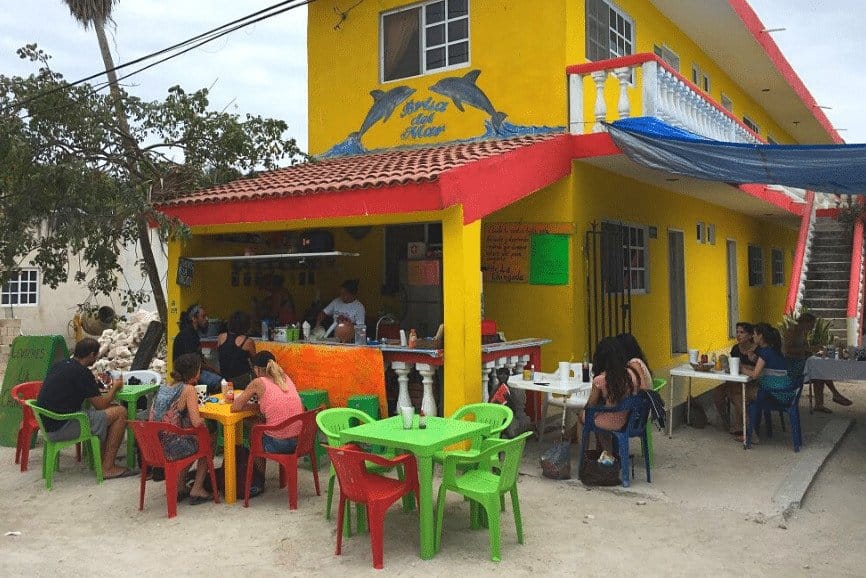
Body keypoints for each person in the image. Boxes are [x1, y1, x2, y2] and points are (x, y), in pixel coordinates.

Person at [35, 337, 131, 479]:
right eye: (96, 355)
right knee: (120, 412)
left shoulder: (60, 364)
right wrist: (115, 387)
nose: (97, 358)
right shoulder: (81, 372)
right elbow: (101, 405)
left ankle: (103, 458)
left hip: (47, 424)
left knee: (108, 412)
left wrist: (94, 383)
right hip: (62, 427)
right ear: (92, 355)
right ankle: (108, 467)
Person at [232, 351, 304, 496]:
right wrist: (258, 407)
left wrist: (251, 407)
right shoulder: (285, 378)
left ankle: (258, 480)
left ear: (257, 369)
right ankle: (262, 478)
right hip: (300, 441)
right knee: (260, 425)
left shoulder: (258, 382)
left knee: (254, 428)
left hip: (279, 444)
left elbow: (235, 407)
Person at [149, 353, 213, 505]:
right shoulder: (188, 389)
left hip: (153, 445)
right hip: (170, 447)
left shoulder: (164, 386)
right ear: (193, 372)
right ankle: (197, 488)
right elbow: (197, 422)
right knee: (207, 442)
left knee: (191, 440)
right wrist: (207, 418)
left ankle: (179, 486)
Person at [581, 337, 645, 456]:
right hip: (631, 420)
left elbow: (591, 405)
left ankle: (605, 454)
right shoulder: (632, 374)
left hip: (612, 422)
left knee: (586, 416)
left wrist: (583, 412)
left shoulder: (600, 380)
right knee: (596, 416)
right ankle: (605, 452)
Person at [783, 312, 851, 413]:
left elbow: (805, 349)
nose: (813, 327)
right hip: (791, 364)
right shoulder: (792, 331)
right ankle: (835, 394)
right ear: (805, 322)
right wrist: (808, 349)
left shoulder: (803, 332)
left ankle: (820, 404)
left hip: (801, 361)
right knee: (819, 371)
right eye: (812, 324)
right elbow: (787, 350)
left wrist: (814, 350)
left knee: (819, 371)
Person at [739, 322, 792, 443]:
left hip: (775, 393)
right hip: (785, 391)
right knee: (747, 395)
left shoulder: (764, 351)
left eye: (755, 334)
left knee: (740, 395)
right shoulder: (774, 349)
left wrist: (740, 368)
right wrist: (756, 360)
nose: (753, 337)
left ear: (761, 336)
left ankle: (749, 432)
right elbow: (769, 368)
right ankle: (752, 430)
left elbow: (755, 374)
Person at [713, 322, 758, 436]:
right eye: (737, 332)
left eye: (742, 332)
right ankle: (726, 422)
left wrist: (745, 366)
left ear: (750, 335)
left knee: (735, 393)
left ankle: (745, 429)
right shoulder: (735, 349)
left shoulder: (756, 350)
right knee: (717, 392)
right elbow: (732, 366)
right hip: (736, 381)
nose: (738, 335)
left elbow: (759, 370)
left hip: (752, 384)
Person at [173, 303, 222, 394]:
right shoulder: (188, 335)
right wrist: (213, 369)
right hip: (187, 374)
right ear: (194, 319)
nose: (206, 319)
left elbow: (199, 359)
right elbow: (192, 363)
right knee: (220, 383)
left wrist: (212, 369)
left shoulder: (193, 333)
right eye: (203, 317)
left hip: (194, 371)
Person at [217, 310, 257, 389]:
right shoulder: (247, 342)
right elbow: (255, 362)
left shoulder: (221, 337)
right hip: (242, 380)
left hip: (224, 379)